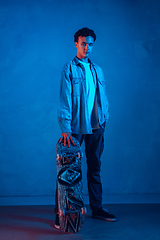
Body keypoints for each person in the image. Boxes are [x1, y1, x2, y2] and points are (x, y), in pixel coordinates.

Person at [55, 27, 116, 229]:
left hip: (97, 125)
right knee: (67, 168)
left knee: (95, 165)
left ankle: (97, 208)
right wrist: (65, 128)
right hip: (76, 126)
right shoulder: (69, 68)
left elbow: (102, 97)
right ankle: (61, 211)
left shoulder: (97, 69)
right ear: (76, 44)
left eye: (90, 44)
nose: (87, 47)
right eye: (83, 43)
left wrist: (105, 117)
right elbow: (65, 99)